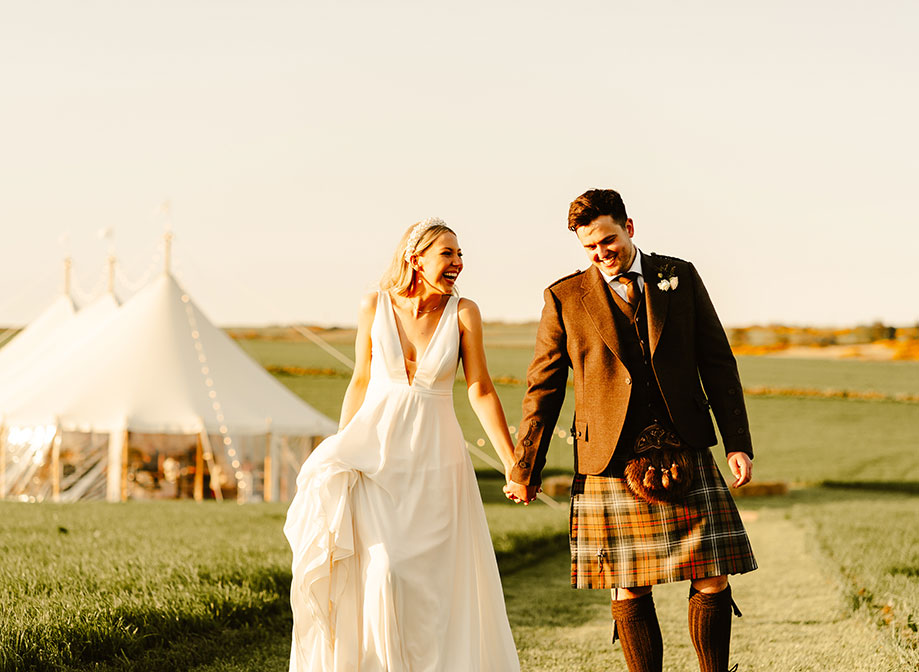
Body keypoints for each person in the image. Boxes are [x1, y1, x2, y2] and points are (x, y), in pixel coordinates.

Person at [504, 189, 758, 672]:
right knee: (629, 580)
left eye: (608, 241)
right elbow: (543, 388)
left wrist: (738, 443)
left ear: (630, 228)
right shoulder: (564, 297)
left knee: (712, 575)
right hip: (611, 457)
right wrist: (524, 467)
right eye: (589, 248)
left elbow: (718, 363)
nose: (601, 254)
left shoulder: (678, 277)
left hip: (685, 445)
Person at [284, 218, 521, 671]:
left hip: (437, 460)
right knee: (384, 572)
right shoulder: (373, 304)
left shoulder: (465, 312)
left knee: (433, 586)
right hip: (376, 457)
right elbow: (359, 379)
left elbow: (481, 390)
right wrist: (342, 450)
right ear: (416, 257)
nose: (458, 263)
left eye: (460, 254)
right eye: (447, 254)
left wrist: (512, 464)